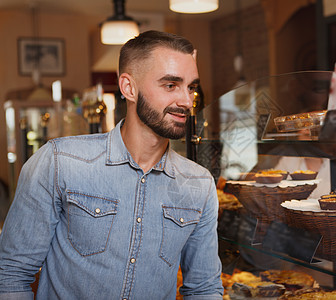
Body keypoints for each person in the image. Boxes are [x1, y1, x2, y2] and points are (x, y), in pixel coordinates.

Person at [0, 30, 223, 299]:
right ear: (129, 87)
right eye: (170, 85)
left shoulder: (199, 184)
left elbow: (204, 289)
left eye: (191, 87)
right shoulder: (60, 162)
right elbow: (11, 273)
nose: (187, 101)